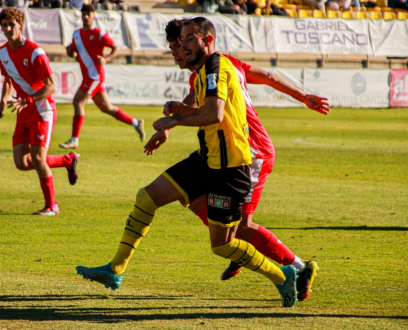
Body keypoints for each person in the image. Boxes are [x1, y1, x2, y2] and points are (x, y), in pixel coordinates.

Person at [76, 17, 301, 308]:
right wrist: (176, 115)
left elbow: (215, 115)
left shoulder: (216, 67)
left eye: (188, 41)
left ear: (207, 40)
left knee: (223, 245)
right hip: (207, 161)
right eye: (180, 43)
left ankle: (282, 276)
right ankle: (116, 269)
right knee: (146, 197)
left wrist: (174, 120)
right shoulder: (204, 71)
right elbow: (206, 110)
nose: (181, 48)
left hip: (230, 170)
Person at [144, 18, 327, 302]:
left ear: (198, 41)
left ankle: (299, 268)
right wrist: (171, 122)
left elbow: (205, 109)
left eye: (180, 45)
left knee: (241, 225)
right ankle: (236, 249)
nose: (178, 52)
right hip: (233, 152)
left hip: (250, 151)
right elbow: (264, 78)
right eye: (174, 47)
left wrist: (304, 97)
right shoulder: (216, 67)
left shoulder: (215, 68)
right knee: (191, 197)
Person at [0, 7, 79, 216]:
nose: (7, 29)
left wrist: (30, 99)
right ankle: (68, 160)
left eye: (11, 25)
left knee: (38, 159)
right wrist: (2, 101)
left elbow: (51, 86)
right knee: (22, 162)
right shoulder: (2, 52)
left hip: (42, 110)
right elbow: (8, 80)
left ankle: (52, 206)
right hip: (23, 111)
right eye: (4, 25)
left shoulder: (35, 52)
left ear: (20, 25)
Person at [59, 4, 145, 150]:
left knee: (78, 102)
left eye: (89, 14)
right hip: (89, 77)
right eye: (84, 14)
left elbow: (116, 48)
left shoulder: (99, 33)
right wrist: (69, 51)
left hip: (95, 76)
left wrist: (106, 59)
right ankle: (136, 123)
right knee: (107, 108)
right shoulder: (76, 35)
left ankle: (74, 140)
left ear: (94, 16)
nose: (86, 17)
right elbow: (73, 53)